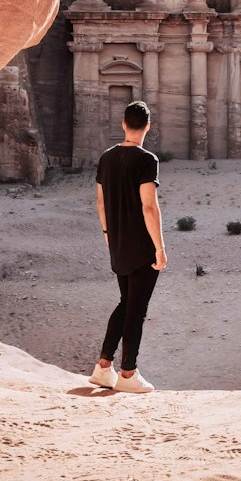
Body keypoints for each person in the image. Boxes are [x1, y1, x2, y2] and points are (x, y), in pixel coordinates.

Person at [87, 99, 167, 393]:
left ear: (123, 124)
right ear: (147, 126)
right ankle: (128, 374)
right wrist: (159, 246)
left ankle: (103, 367)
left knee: (126, 304)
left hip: (118, 242)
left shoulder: (106, 158)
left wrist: (108, 232)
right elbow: (149, 207)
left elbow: (99, 201)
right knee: (136, 311)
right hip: (141, 246)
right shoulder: (147, 160)